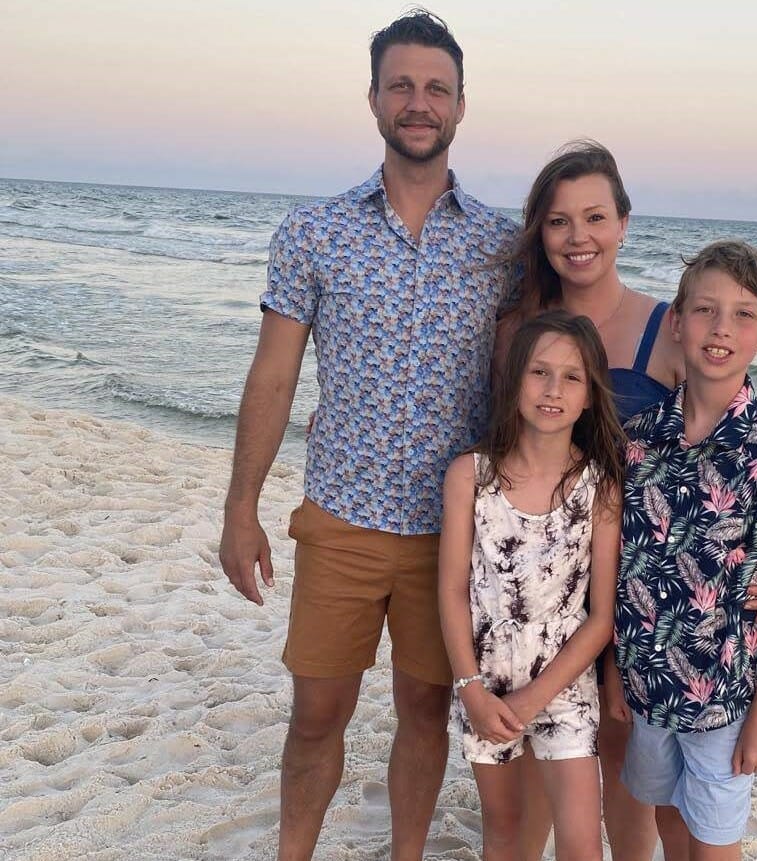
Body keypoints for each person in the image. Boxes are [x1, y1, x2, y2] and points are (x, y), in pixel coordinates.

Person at [218, 10, 516, 861]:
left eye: (435, 88)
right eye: (401, 86)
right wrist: (241, 508)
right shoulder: (315, 232)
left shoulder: (501, 246)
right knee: (318, 711)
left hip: (446, 535)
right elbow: (273, 376)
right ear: (374, 99)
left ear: (460, 105)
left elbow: (529, 387)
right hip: (340, 517)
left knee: (423, 710)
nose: (417, 103)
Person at [497, 142, 757, 861]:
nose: (577, 236)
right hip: (544, 576)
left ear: (623, 223)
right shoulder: (521, 329)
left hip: (642, 586)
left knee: (625, 753)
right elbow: (495, 436)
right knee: (537, 749)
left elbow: (739, 442)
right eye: (558, 221)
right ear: (540, 231)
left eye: (594, 216)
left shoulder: (670, 327)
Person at [605, 240, 757, 860]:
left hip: (724, 699)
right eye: (704, 310)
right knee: (669, 823)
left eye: (743, 315)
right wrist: (615, 669)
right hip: (646, 688)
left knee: (714, 844)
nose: (721, 328)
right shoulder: (639, 440)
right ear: (676, 321)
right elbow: (619, 565)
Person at [439, 310, 624, 861]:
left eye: (572, 377)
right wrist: (470, 688)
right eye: (539, 372)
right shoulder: (470, 475)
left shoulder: (600, 487)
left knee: (581, 841)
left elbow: (601, 617)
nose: (553, 390)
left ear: (590, 396)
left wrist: (536, 696)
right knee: (505, 830)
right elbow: (450, 590)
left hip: (564, 687)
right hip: (485, 685)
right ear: (515, 380)